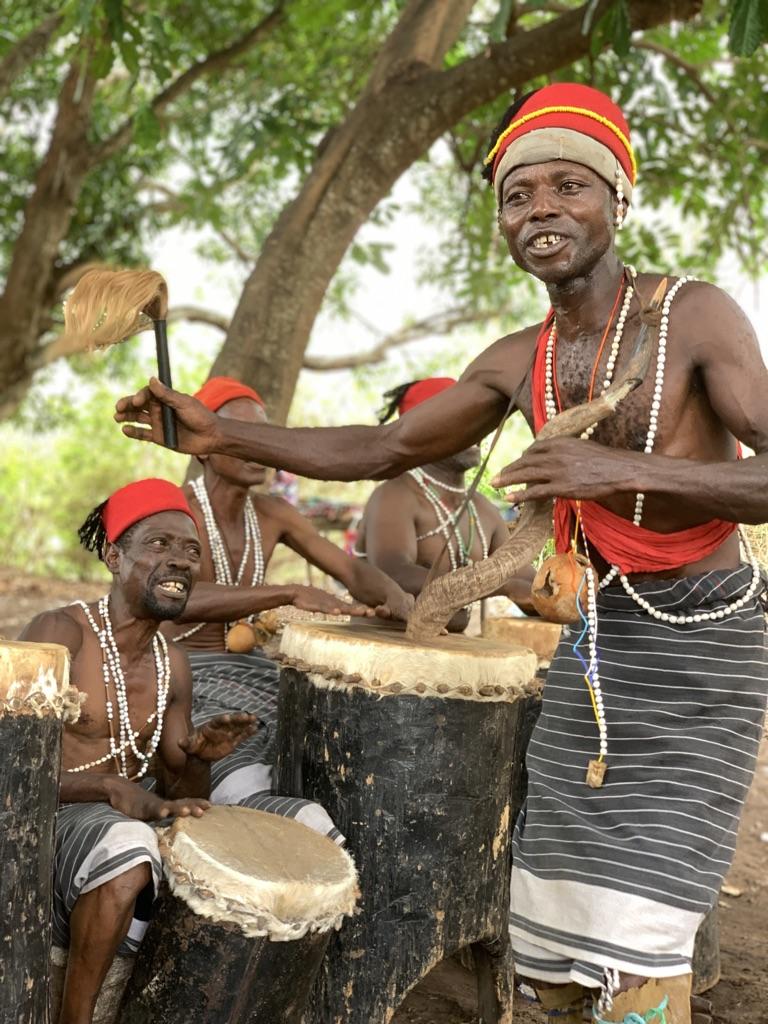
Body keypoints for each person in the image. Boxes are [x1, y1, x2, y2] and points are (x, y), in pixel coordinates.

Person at [115, 83, 768, 1024]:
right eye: (518, 194)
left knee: (644, 936)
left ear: (618, 201)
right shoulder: (517, 359)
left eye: (568, 186)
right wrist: (220, 437)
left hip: (704, 646)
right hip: (599, 649)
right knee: (550, 940)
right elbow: (380, 450)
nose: (541, 208)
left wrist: (603, 465)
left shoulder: (696, 317)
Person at [18, 478, 257, 1024]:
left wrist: (200, 759)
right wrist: (107, 788)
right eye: (159, 544)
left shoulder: (174, 663)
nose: (180, 562)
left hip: (118, 821)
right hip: (50, 816)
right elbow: (12, 769)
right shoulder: (59, 632)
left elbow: (181, 796)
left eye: (191, 551)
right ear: (113, 555)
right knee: (128, 843)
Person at [164, 375, 413, 839]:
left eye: (262, 438)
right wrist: (285, 592)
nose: (256, 450)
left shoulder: (274, 512)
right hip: (185, 673)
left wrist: (395, 597)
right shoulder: (177, 511)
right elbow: (173, 600)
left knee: (319, 723)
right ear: (202, 447)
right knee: (225, 744)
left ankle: (310, 819)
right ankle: (274, 814)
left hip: (254, 669)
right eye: (239, 437)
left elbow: (351, 570)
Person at [353, 376, 535, 630]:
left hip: (448, 656)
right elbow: (394, 572)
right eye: (462, 421)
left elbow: (524, 579)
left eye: (478, 420)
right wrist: (500, 585)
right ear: (424, 430)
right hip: (376, 656)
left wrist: (563, 590)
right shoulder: (395, 495)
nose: (477, 430)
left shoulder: (483, 511)